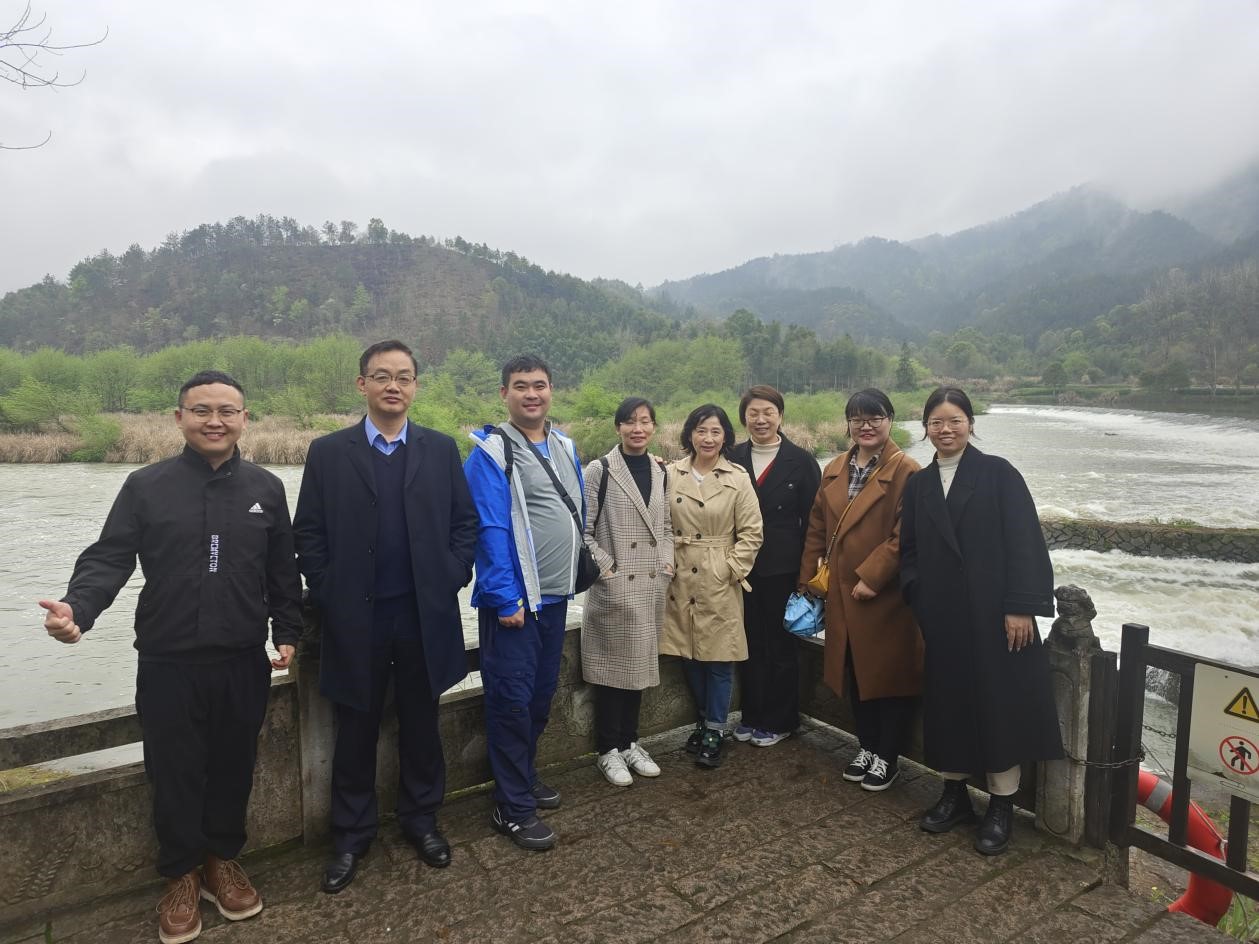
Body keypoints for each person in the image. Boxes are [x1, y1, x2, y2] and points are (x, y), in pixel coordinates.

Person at [39, 370, 303, 944]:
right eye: (202, 410)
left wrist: (287, 629)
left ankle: (221, 862)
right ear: (179, 418)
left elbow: (282, 570)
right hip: (168, 660)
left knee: (235, 766)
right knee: (174, 770)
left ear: (245, 419)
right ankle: (181, 874)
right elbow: (108, 558)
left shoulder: (265, 488)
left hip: (242, 659)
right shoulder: (146, 486)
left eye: (227, 411)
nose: (215, 421)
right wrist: (77, 609)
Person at [293, 340, 478, 893]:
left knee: (423, 723)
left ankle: (422, 820)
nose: (392, 385)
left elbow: (464, 524)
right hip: (356, 619)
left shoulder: (440, 449)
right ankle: (352, 835)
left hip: (423, 614)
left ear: (415, 385)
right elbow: (309, 533)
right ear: (362, 385)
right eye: (381, 376)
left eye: (403, 376)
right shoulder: (329, 452)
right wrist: (329, 590)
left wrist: (451, 575)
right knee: (355, 727)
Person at [900, 386, 1062, 856]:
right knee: (948, 705)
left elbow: (1025, 541)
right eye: (936, 422)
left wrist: (1020, 606)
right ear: (925, 428)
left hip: (997, 617)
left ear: (971, 424)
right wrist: (919, 596)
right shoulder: (920, 484)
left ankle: (1001, 804)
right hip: (944, 617)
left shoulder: (998, 473)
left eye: (955, 420)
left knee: (998, 707)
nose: (945, 429)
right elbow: (909, 550)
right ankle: (954, 795)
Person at [465, 355, 585, 850]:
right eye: (520, 386)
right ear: (504, 394)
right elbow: (489, 528)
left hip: (555, 599)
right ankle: (512, 807)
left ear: (552, 389)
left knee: (539, 697)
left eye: (539, 385)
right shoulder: (491, 452)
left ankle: (523, 777)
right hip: (515, 605)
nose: (531, 394)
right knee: (511, 702)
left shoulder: (565, 445)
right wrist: (503, 597)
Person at [798, 389, 922, 792]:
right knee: (854, 671)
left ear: (890, 420)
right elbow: (817, 527)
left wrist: (873, 576)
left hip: (885, 597)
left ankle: (888, 756)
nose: (865, 426)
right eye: (857, 419)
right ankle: (867, 746)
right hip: (841, 592)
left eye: (875, 418)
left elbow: (907, 534)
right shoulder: (835, 467)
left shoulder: (907, 471)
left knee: (888, 677)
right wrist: (809, 580)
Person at [662, 404, 763, 769]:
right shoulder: (669, 473)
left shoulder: (737, 477)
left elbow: (752, 532)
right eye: (701, 430)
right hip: (680, 574)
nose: (708, 438)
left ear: (725, 437)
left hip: (718, 577)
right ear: (690, 434)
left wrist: (730, 569)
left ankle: (716, 729)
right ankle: (704, 721)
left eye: (716, 431)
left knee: (719, 658)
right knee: (689, 654)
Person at [580, 397, 674, 787]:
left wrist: (666, 564)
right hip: (615, 588)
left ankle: (630, 742)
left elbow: (665, 526)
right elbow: (583, 531)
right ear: (618, 427)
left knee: (638, 671)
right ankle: (608, 750)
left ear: (653, 427)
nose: (638, 428)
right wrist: (609, 571)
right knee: (610, 673)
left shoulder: (660, 470)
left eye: (646, 421)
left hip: (649, 586)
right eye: (630, 421)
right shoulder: (600, 470)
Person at [729, 385, 820, 748]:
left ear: (780, 416)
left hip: (783, 569)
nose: (761, 419)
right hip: (741, 568)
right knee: (748, 643)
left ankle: (782, 720)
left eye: (768, 412)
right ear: (744, 418)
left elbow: (814, 523)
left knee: (781, 646)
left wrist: (807, 576)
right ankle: (752, 714)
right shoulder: (732, 456)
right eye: (753, 413)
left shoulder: (802, 461)